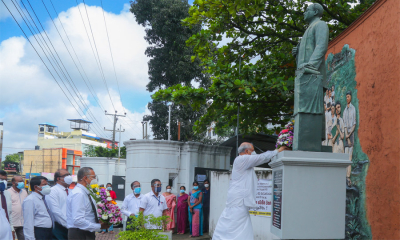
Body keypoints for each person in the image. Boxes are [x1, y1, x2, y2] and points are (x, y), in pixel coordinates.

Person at [213, 143, 289, 240]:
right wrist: (277, 151)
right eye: (252, 150)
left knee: (234, 224)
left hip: (237, 200)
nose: (254, 153)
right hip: (238, 201)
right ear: (247, 151)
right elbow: (261, 158)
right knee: (236, 225)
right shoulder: (242, 159)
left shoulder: (243, 162)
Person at [67, 167, 109, 240]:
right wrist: (99, 226)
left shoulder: (85, 192)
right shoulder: (79, 194)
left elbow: (88, 213)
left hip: (86, 231)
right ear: (85, 178)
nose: (95, 179)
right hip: (79, 233)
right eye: (93, 177)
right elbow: (78, 220)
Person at [46, 169, 73, 240]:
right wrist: (68, 225)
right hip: (59, 226)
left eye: (69, 175)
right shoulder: (53, 191)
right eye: (66, 175)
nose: (69, 177)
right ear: (58, 178)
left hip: (72, 226)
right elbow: (55, 211)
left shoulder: (71, 191)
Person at [8, 175, 28, 240]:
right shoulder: (8, 192)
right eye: (19, 181)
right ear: (13, 183)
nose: (22, 183)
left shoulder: (24, 192)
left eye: (22, 181)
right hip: (12, 223)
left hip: (23, 222)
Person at [343, 91, 356, 185]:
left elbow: (354, 124)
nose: (347, 98)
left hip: (351, 134)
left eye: (348, 96)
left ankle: (348, 177)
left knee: (350, 156)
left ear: (351, 97)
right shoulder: (344, 110)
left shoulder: (353, 109)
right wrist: (346, 136)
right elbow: (344, 125)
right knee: (346, 155)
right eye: (346, 97)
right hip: (346, 134)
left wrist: (349, 134)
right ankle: (344, 176)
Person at [0, 170, 14, 240]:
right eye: (1, 179)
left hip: (7, 231)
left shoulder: (7, 193)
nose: (4, 182)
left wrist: (11, 228)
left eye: (5, 180)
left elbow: (9, 213)